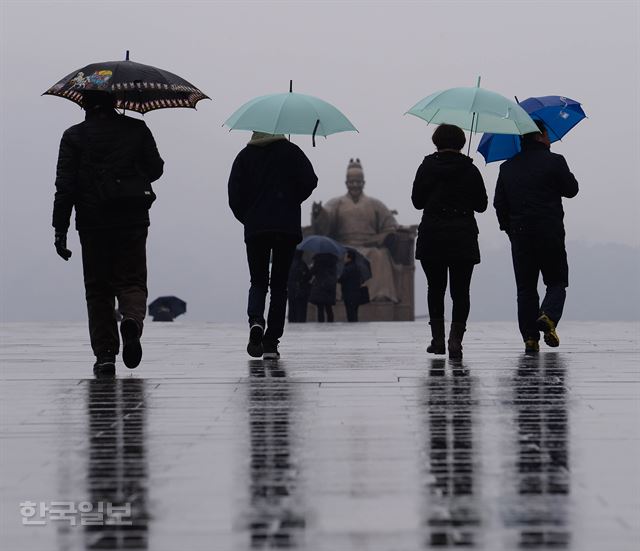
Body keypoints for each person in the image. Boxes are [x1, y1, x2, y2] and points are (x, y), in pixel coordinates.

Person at [52, 90, 164, 375]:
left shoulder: (73, 136)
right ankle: (131, 322)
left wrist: (60, 229)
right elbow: (156, 168)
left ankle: (105, 356)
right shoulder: (137, 129)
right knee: (133, 281)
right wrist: (131, 169)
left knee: (98, 289)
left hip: (92, 222)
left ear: (84, 105)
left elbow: (65, 186)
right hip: (132, 218)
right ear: (115, 102)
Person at [229, 132, 317, 359]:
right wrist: (291, 199)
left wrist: (248, 217)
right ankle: (271, 342)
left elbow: (234, 195)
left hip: (256, 229)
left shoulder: (244, 156)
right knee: (279, 286)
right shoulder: (292, 152)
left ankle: (256, 321)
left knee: (258, 281)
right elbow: (310, 180)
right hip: (285, 228)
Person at [494, 120, 579, 353]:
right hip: (550, 231)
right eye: (547, 133)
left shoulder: (507, 167)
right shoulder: (555, 161)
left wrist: (508, 229)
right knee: (557, 280)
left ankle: (530, 339)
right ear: (540, 135)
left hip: (520, 235)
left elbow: (499, 203)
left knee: (526, 288)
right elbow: (571, 190)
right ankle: (549, 316)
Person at [411, 124, 487, 359]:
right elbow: (482, 205)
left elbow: (417, 201)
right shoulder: (470, 170)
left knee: (435, 289)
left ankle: (437, 340)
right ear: (461, 143)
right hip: (462, 236)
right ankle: (456, 340)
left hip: (433, 235)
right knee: (461, 291)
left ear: (436, 142)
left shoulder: (426, 167)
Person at [311, 159, 399, 302]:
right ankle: (336, 296)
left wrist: (380, 238)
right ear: (346, 183)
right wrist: (319, 213)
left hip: (368, 247)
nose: (355, 185)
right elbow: (326, 220)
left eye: (358, 181)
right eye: (351, 182)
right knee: (333, 257)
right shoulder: (336, 203)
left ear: (363, 182)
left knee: (381, 255)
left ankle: (380, 294)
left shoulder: (375, 204)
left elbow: (389, 225)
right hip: (343, 246)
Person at [309, 253, 338, 322]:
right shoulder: (333, 262)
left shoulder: (318, 261)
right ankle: (330, 323)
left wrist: (312, 267)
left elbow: (311, 273)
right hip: (329, 288)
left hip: (320, 287)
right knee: (329, 308)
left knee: (320, 308)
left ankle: (321, 324)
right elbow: (335, 274)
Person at [287, 249, 311, 323]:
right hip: (301, 289)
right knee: (301, 307)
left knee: (292, 306)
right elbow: (308, 276)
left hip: (291, 288)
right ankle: (300, 320)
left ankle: (291, 320)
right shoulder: (302, 264)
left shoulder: (289, 263)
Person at [339, 250, 363, 322]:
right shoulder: (358, 268)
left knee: (350, 313)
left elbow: (342, 279)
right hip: (357, 293)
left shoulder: (347, 268)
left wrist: (338, 279)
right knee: (355, 312)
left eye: (345, 257)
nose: (344, 258)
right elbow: (361, 280)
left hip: (348, 294)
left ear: (349, 258)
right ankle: (355, 326)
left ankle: (352, 328)